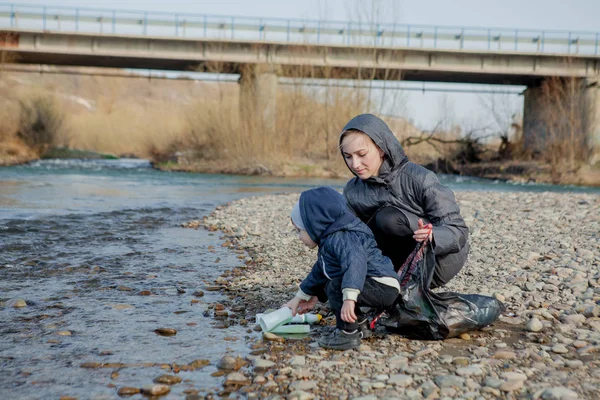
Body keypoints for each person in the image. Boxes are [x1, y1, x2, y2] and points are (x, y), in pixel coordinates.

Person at [339, 114, 469, 289]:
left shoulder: (420, 178)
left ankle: (404, 284)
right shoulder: (352, 191)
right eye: (348, 156)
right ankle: (389, 282)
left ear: (381, 149)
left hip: (437, 261)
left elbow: (458, 231)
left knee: (388, 218)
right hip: (390, 264)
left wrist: (433, 235)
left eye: (361, 154)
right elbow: (346, 239)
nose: (355, 164)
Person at [284, 187, 400, 351]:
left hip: (381, 284)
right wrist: (300, 297)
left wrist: (349, 299)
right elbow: (319, 272)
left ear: (315, 224)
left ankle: (347, 334)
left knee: (336, 287)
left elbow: (355, 263)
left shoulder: (343, 236)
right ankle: (360, 326)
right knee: (331, 283)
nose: (298, 237)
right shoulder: (329, 239)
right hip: (373, 283)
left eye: (299, 231)